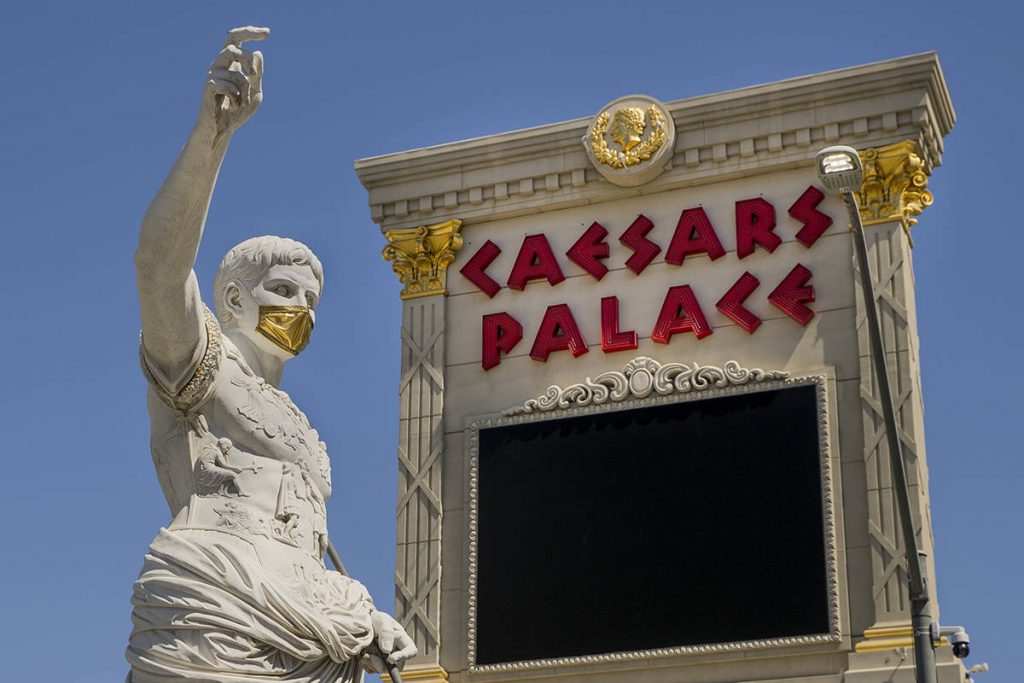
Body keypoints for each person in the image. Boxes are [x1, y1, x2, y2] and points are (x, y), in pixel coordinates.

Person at [127, 26, 416, 683]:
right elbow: (157, 267)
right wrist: (212, 136)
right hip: (215, 621)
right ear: (231, 297)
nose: (302, 309)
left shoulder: (303, 429)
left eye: (311, 298)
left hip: (309, 642)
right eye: (283, 291)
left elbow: (305, 550)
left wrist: (364, 616)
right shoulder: (200, 367)